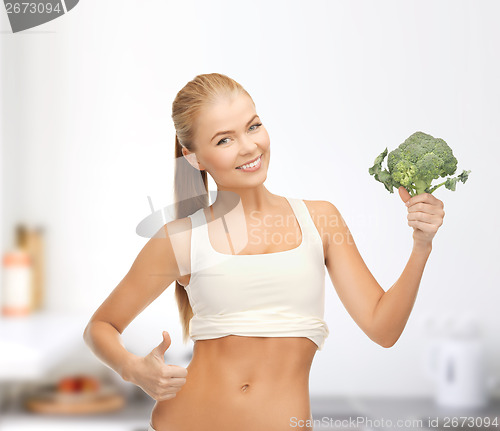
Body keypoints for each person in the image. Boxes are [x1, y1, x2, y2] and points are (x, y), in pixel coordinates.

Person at [83, 73, 445, 431]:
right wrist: (134, 370)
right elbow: (100, 327)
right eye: (225, 140)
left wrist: (421, 246)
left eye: (253, 127)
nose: (249, 147)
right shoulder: (181, 239)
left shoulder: (320, 220)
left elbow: (383, 329)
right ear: (194, 159)